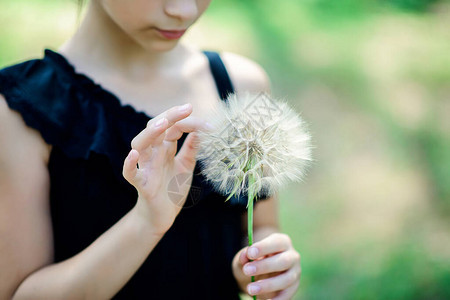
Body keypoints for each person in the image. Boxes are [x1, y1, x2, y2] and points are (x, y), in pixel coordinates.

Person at [0, 0, 301, 299]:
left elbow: (262, 224)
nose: (185, 11)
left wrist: (263, 265)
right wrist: (145, 224)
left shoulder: (242, 87)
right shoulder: (18, 111)